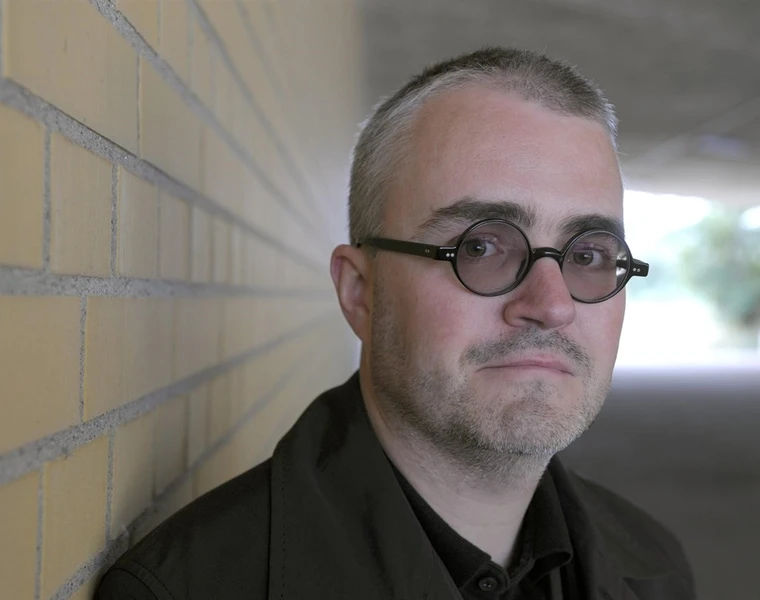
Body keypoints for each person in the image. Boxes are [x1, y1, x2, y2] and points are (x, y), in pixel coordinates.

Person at [96, 47, 695, 600]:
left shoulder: (655, 564)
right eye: (481, 247)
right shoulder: (182, 591)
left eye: (587, 255)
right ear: (361, 292)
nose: (551, 302)